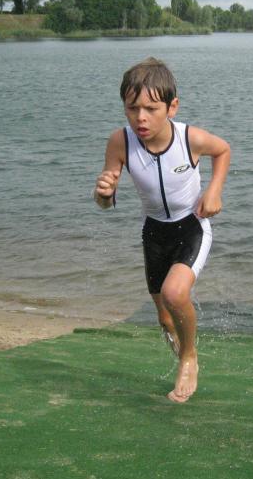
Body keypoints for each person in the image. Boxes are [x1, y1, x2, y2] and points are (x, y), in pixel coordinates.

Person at [94, 57, 231, 403]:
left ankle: (189, 358)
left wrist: (214, 190)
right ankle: (182, 353)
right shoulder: (120, 142)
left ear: (172, 107)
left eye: (151, 109)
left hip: (192, 226)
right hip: (154, 233)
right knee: (165, 318)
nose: (140, 118)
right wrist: (103, 194)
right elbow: (106, 201)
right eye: (132, 108)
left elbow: (223, 150)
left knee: (174, 293)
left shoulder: (189, 138)